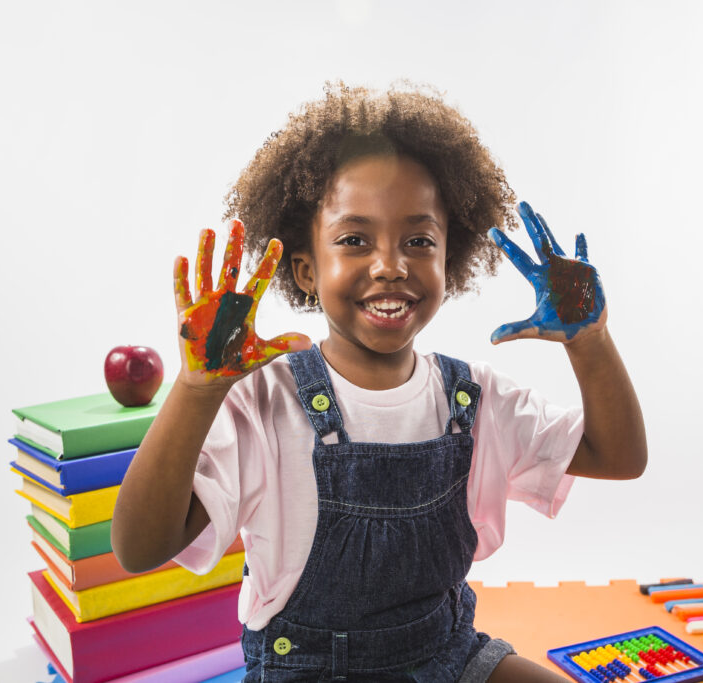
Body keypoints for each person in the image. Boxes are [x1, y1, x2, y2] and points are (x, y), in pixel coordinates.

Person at [111, 83, 647, 682]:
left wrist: (590, 339)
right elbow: (138, 546)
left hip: (446, 656)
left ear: (451, 259)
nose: (390, 264)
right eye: (354, 240)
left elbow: (619, 456)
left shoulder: (474, 399)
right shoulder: (263, 403)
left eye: (419, 241)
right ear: (307, 270)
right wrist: (197, 391)